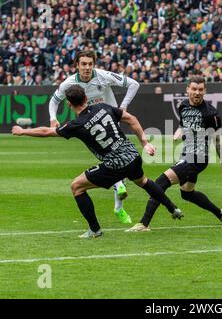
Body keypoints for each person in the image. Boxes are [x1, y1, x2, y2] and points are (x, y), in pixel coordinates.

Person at [12, 85, 183, 238]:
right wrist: (144, 142)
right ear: (86, 98)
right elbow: (131, 119)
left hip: (115, 164)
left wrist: (22, 131)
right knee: (143, 181)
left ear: (69, 104)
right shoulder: (103, 107)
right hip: (132, 155)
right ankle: (172, 208)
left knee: (76, 187)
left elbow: (46, 132)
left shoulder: (76, 124)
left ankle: (94, 230)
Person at [128, 76, 222, 232]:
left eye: (200, 90)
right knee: (187, 194)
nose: (197, 93)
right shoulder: (183, 106)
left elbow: (217, 141)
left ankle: (144, 224)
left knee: (160, 182)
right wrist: (178, 133)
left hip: (198, 158)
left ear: (205, 91)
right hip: (186, 153)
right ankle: (221, 213)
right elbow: (183, 125)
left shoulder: (211, 113)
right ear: (187, 89)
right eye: (194, 89)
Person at [48, 51, 140, 224]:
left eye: (90, 63)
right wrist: (53, 118)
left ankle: (119, 198)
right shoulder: (69, 83)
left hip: (109, 120)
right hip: (89, 126)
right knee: (115, 161)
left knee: (116, 160)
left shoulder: (104, 76)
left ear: (94, 64)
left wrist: (124, 106)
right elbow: (54, 101)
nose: (87, 67)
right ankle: (119, 205)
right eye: (83, 64)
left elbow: (134, 84)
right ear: (77, 65)